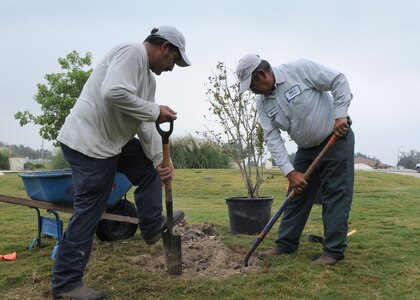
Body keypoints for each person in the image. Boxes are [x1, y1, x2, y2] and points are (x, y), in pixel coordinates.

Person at [52, 26, 191, 299]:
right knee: (90, 210)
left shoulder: (148, 81)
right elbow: (112, 92)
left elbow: (147, 124)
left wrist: (162, 161)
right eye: (173, 60)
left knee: (151, 168)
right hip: (88, 144)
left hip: (113, 142)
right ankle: (66, 284)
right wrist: (154, 110)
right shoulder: (131, 53)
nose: (172, 67)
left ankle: (152, 225)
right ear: (164, 48)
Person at [236, 54, 354, 266]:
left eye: (253, 86)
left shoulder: (300, 70)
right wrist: (290, 173)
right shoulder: (262, 103)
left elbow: (338, 80)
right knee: (295, 194)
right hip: (306, 150)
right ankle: (285, 244)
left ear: (263, 74)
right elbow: (272, 138)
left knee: (335, 194)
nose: (253, 91)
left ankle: (333, 252)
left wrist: (340, 114)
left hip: (334, 139)